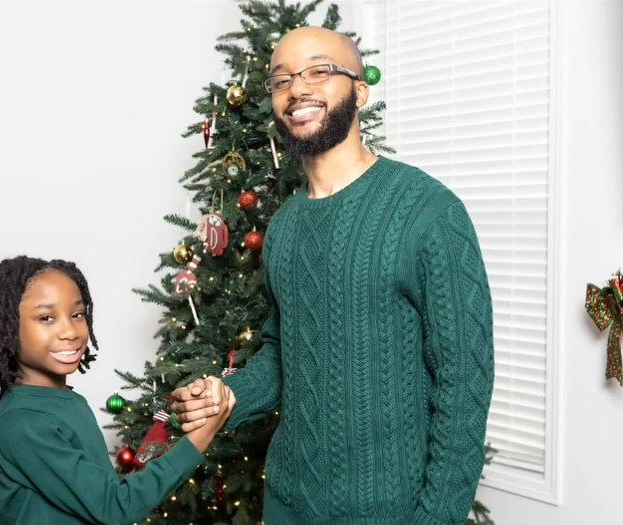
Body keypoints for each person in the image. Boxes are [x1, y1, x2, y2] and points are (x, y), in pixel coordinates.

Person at [170, 26, 495, 525]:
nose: (297, 89)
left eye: (319, 71)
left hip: (387, 512)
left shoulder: (429, 212)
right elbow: (284, 351)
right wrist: (229, 394)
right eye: (281, 80)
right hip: (286, 503)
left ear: (360, 91)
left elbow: (464, 386)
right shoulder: (281, 229)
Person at [0, 256, 234, 525]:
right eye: (46, 318)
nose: (70, 331)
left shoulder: (69, 401)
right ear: (6, 328)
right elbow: (114, 506)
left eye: (77, 314)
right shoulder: (22, 422)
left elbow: (97, 495)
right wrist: (199, 438)